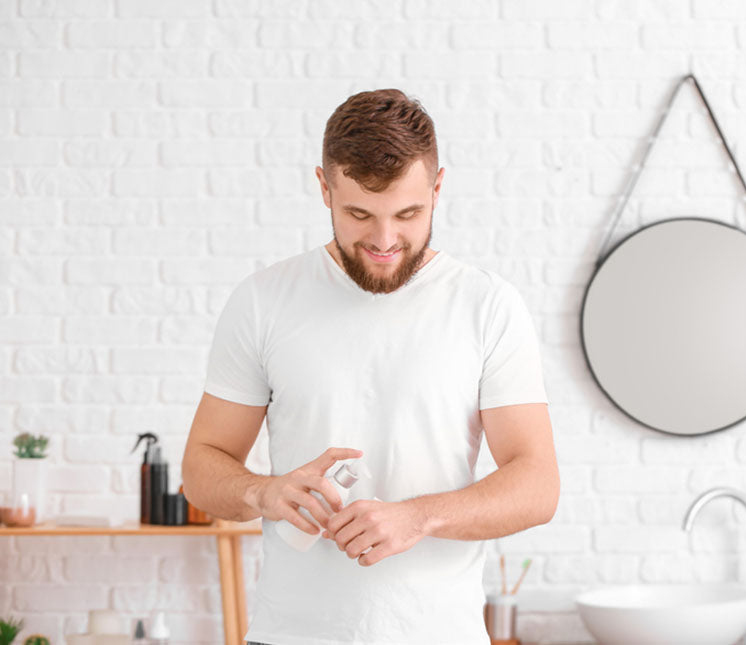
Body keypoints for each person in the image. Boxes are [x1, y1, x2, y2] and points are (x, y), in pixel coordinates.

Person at [181, 88, 559, 645]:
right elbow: (201, 467)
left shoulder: (487, 306)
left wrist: (417, 517)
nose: (385, 241)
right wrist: (264, 493)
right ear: (323, 187)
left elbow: (537, 484)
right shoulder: (263, 301)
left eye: (408, 214)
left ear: (438, 187)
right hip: (292, 634)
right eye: (359, 214)